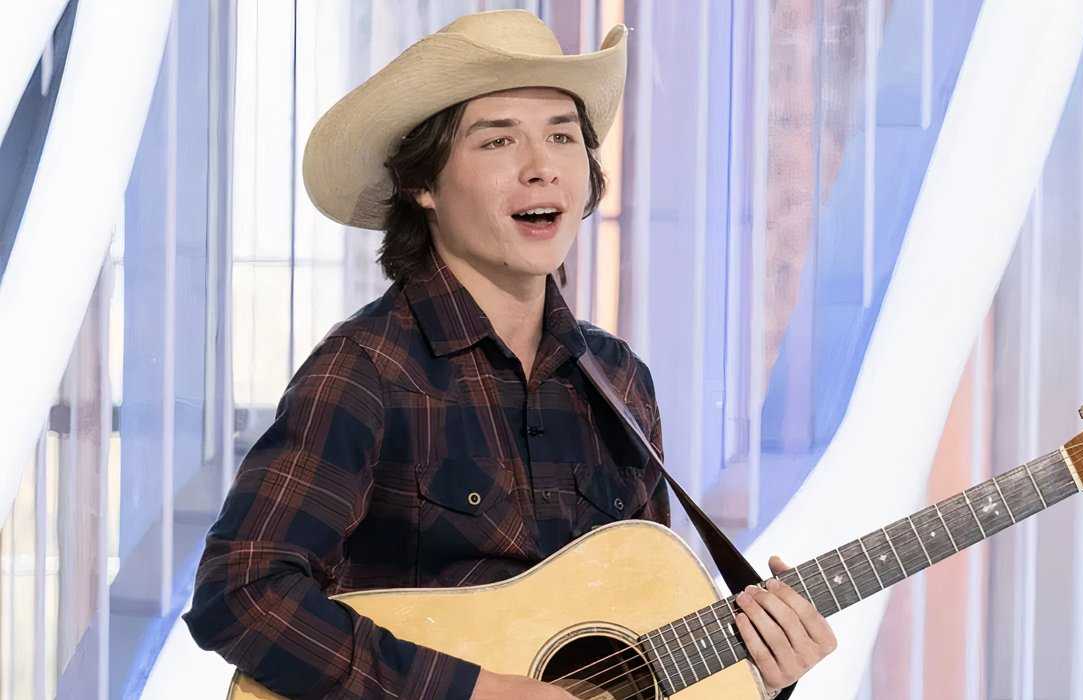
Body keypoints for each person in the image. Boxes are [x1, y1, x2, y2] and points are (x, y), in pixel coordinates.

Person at [184, 10, 835, 699]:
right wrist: (472, 691)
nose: (541, 167)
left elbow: (636, 649)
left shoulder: (617, 382)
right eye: (498, 142)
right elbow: (242, 589)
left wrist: (762, 673)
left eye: (562, 136)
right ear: (422, 184)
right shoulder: (367, 370)